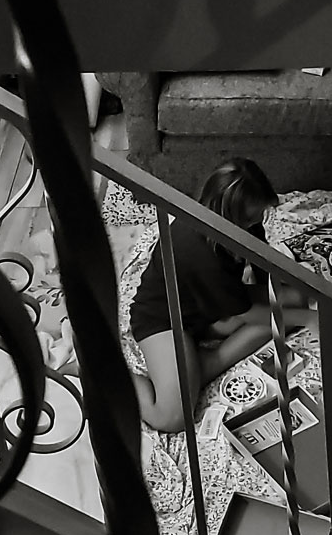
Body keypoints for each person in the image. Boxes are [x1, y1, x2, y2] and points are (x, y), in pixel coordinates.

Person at [129, 158, 311, 432]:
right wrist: (311, 319)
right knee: (172, 418)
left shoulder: (242, 226)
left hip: (210, 307)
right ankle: (111, 375)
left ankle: (191, 373)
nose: (257, 223)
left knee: (293, 301)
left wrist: (275, 289)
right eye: (250, 219)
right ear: (227, 216)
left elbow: (260, 260)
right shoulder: (196, 249)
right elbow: (245, 312)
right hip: (164, 320)